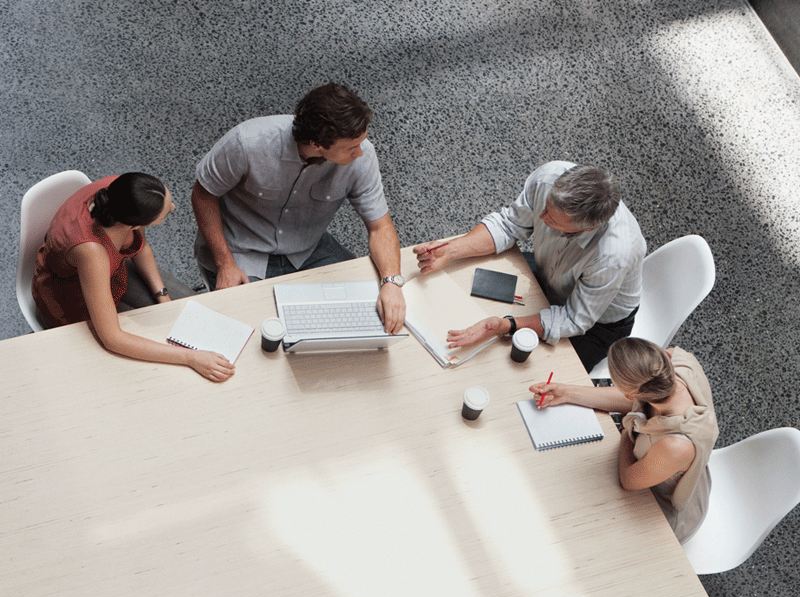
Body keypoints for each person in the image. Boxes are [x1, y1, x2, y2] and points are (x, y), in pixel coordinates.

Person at [192, 82, 405, 334]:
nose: (360, 153)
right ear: (317, 144)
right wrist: (225, 263)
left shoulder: (362, 155)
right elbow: (203, 195)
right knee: (252, 330)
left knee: (368, 302)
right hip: (241, 250)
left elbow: (380, 226)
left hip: (308, 248)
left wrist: (392, 283)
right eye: (350, 147)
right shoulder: (246, 143)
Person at [413, 161, 646, 370]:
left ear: (587, 229)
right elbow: (508, 225)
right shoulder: (548, 178)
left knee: (520, 372)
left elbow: (574, 319)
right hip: (550, 276)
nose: (541, 218)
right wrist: (451, 250)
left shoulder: (614, 256)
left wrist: (506, 325)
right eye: (545, 208)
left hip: (596, 323)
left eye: (552, 220)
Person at [32, 173, 235, 382]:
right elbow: (112, 338)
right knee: (149, 359)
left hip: (111, 267)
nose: (173, 207)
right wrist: (190, 357)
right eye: (165, 213)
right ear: (134, 225)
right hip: (71, 295)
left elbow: (140, 245)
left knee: (179, 310)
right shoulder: (92, 251)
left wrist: (162, 296)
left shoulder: (125, 192)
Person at [532, 338, 718, 543]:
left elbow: (628, 479)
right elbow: (640, 398)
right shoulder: (674, 359)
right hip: (661, 468)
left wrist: (626, 431)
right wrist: (566, 393)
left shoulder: (674, 446)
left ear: (630, 394)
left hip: (661, 508)